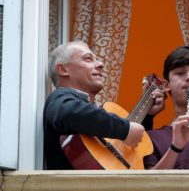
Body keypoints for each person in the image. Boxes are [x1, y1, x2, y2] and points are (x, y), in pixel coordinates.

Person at [44, 41, 165, 169]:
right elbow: (68, 113)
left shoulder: (92, 122)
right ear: (63, 69)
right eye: (88, 59)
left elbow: (129, 150)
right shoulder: (60, 98)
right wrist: (125, 129)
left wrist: (147, 115)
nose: (101, 64)